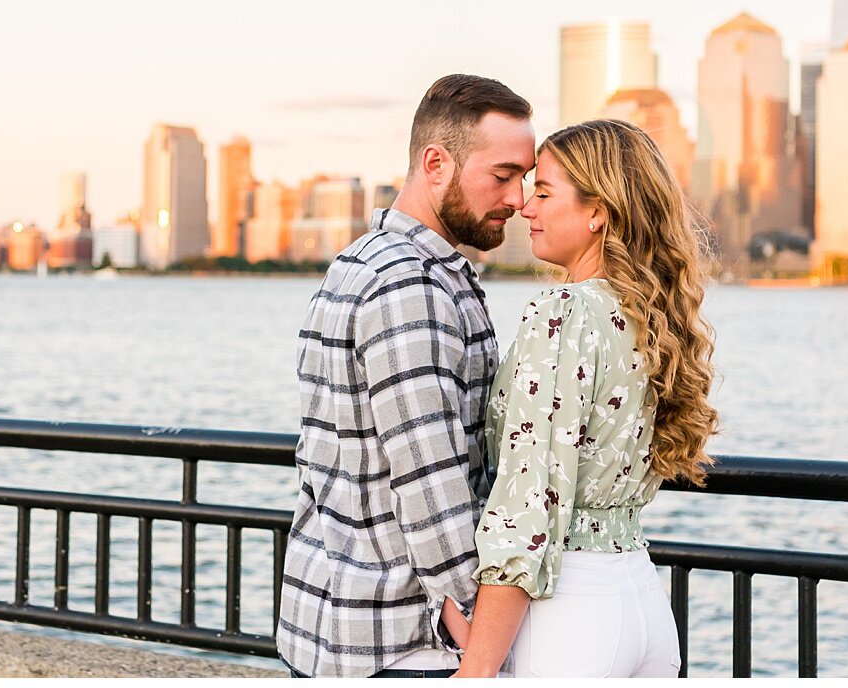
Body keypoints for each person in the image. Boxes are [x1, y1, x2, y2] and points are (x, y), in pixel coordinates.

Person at [277, 74, 537, 678]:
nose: (519, 197)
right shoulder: (410, 285)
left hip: (336, 629)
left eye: (524, 178)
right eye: (502, 175)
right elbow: (432, 487)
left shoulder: (360, 261)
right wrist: (479, 646)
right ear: (436, 163)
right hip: (400, 645)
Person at [456, 119, 719, 679]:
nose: (527, 207)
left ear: (598, 211)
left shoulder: (563, 313)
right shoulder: (651, 317)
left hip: (570, 613)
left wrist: (475, 668)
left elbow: (528, 508)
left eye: (545, 192)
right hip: (642, 597)